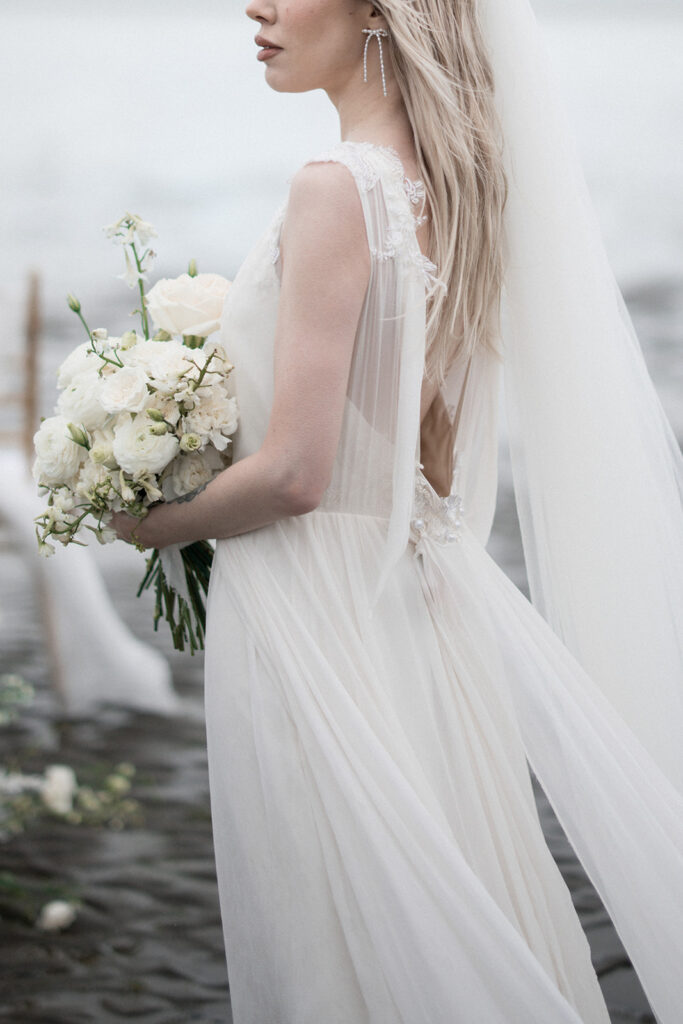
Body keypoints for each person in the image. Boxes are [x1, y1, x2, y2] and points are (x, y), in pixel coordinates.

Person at [112, 0, 683, 1021]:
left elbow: (296, 472)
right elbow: (421, 442)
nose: (257, 6)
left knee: (334, 920)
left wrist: (147, 520)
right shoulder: (455, 185)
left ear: (379, 11)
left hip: (315, 602)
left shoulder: (335, 188)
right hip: (412, 599)